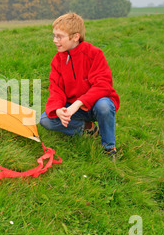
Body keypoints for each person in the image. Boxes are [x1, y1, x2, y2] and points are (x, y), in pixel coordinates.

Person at [39, 13, 120, 160]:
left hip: (95, 105)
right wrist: (58, 109)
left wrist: (77, 104)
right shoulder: (57, 60)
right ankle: (87, 128)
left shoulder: (94, 54)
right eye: (54, 36)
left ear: (75, 37)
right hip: (73, 109)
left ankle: (109, 148)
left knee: (104, 106)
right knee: (45, 120)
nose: (54, 40)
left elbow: (103, 85)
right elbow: (56, 89)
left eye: (59, 37)